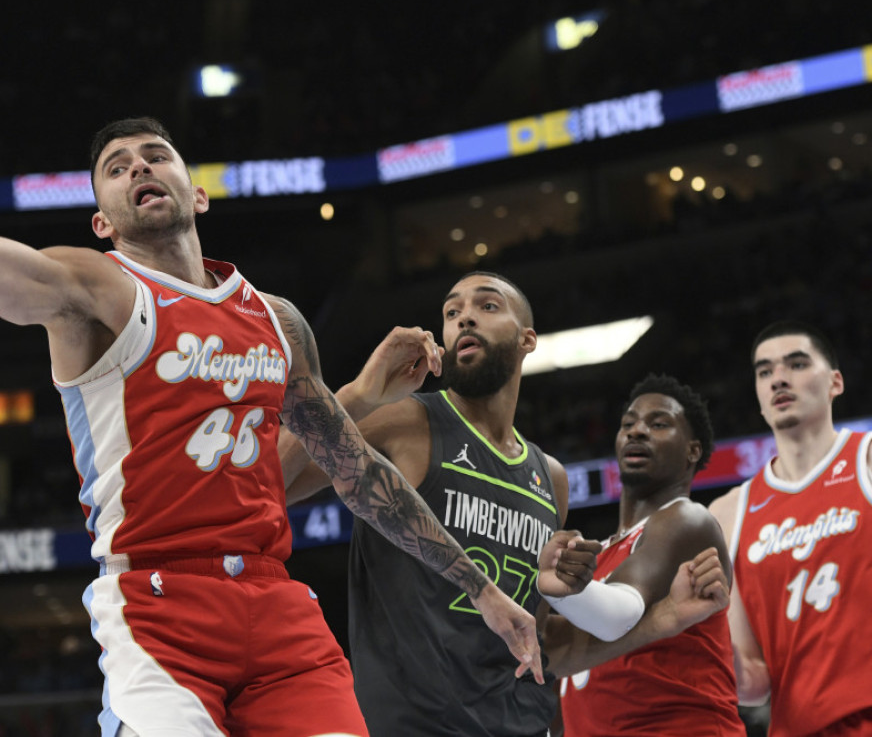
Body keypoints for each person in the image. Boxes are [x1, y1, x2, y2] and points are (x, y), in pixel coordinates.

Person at [0, 118, 547, 737]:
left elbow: (356, 471)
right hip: (158, 603)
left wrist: (480, 588)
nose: (139, 168)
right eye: (117, 168)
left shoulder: (277, 320)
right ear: (102, 222)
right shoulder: (95, 291)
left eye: (155, 156)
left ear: (198, 193)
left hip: (277, 607)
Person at [280, 272, 731, 737]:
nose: (464, 318)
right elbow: (268, 482)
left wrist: (662, 619)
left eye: (487, 305)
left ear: (526, 339)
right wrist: (358, 394)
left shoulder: (550, 478)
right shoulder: (404, 419)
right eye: (451, 312)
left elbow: (540, 643)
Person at [557, 373, 745, 736]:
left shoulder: (687, 520)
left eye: (658, 424)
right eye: (628, 424)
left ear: (693, 450)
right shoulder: (601, 555)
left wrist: (549, 585)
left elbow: (615, 615)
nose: (637, 432)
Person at [709, 320, 872, 736]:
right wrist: (713, 649)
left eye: (797, 364)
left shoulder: (866, 460)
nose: (778, 378)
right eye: (765, 371)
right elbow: (754, 685)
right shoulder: (728, 513)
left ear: (835, 382)